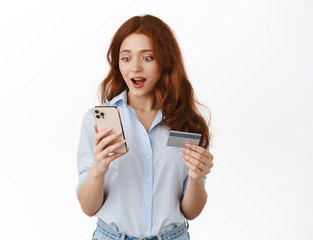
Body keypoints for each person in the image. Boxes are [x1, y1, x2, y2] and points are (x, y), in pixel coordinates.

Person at [76, 14, 214, 240]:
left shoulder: (186, 123)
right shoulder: (96, 121)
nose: (135, 68)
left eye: (148, 58)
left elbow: (191, 211)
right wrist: (98, 169)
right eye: (126, 58)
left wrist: (197, 177)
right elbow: (88, 207)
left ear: (165, 62)